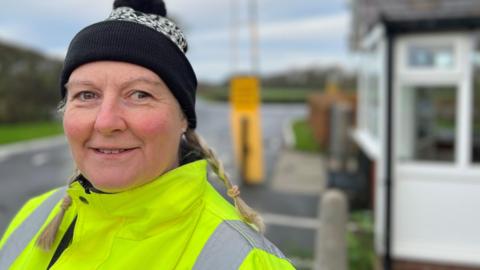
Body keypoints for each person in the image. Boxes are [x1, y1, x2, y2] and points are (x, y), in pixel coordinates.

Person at [0, 0, 295, 269]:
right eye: (86, 94)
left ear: (183, 118)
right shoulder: (35, 215)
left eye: (140, 94)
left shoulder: (248, 260)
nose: (105, 122)